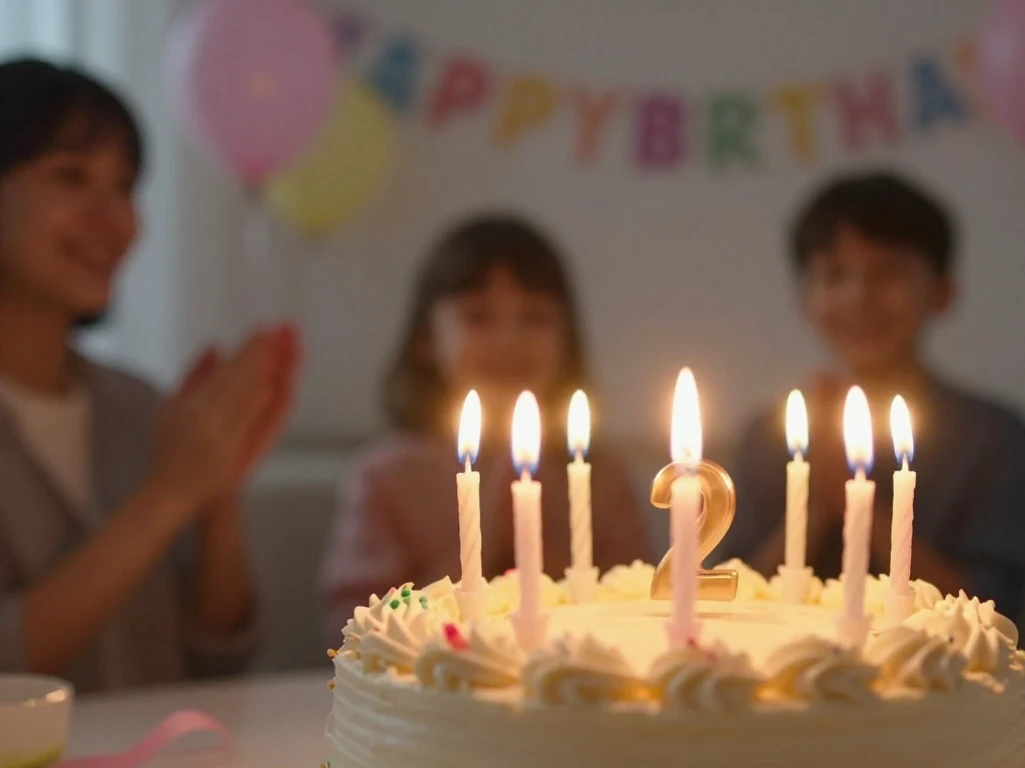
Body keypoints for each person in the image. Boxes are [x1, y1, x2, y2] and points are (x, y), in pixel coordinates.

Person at [0, 58, 299, 692]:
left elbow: (219, 659)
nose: (114, 219)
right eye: (71, 177)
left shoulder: (139, 408)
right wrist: (170, 493)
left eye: (126, 186)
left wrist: (217, 495)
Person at [718, 171, 1025, 621]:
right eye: (834, 276)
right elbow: (727, 605)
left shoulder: (993, 437)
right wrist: (814, 508)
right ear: (804, 300)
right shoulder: (770, 436)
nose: (859, 297)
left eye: (888, 274)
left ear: (942, 292)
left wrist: (863, 504)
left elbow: (994, 612)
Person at [320, 215, 649, 637]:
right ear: (426, 340)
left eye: (535, 318)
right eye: (478, 318)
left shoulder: (602, 480)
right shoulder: (385, 480)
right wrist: (481, 547)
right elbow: (350, 632)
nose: (509, 340)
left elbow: (639, 613)